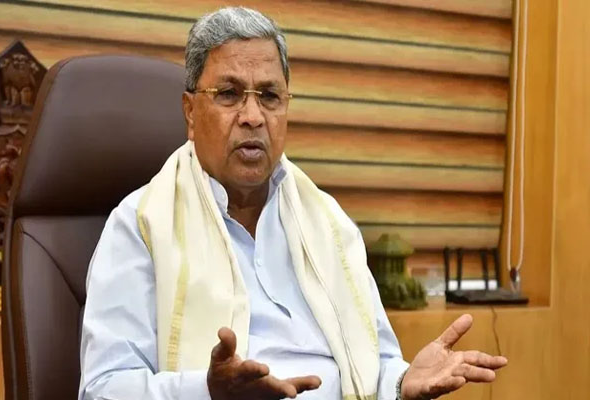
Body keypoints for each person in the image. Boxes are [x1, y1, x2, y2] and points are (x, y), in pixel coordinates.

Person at [78, 7, 507, 400]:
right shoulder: (140, 225)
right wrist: (207, 392)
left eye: (269, 96)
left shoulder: (328, 222)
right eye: (229, 93)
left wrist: (401, 381)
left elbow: (373, 362)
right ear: (190, 112)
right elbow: (103, 388)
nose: (252, 116)